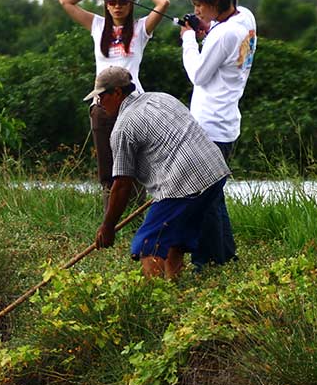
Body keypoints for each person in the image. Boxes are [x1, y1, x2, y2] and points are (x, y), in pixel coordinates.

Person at [88, 67, 231, 280]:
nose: (99, 103)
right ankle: (174, 289)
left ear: (117, 93)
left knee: (148, 243)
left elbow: (122, 185)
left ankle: (155, 300)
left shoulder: (123, 127)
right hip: (215, 172)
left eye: (101, 96)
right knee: (175, 239)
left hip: (183, 183)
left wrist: (107, 227)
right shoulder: (161, 98)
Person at [59, 0, 170, 210]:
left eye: (122, 1)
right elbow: (66, 1)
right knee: (107, 167)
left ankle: (136, 215)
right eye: (112, 1)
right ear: (106, 4)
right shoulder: (98, 25)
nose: (117, 6)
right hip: (102, 104)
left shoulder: (141, 28)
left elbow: (163, 3)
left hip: (134, 105)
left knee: (136, 165)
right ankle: (110, 218)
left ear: (131, 4)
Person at [180, 0, 257, 270]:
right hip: (226, 123)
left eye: (199, 4)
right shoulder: (244, 18)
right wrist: (205, 30)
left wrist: (189, 39)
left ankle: (208, 262)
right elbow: (220, 44)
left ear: (214, 1)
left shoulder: (223, 34)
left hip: (208, 126)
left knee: (203, 199)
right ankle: (225, 255)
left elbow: (198, 74)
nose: (197, 10)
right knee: (213, 195)